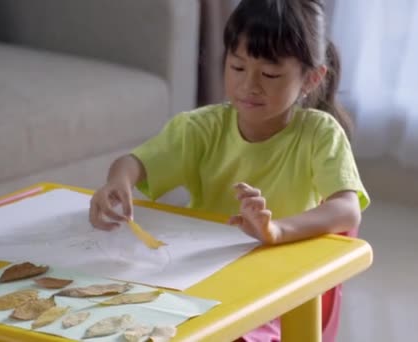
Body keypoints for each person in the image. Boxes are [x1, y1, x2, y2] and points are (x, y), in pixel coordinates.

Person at [89, 0, 370, 340]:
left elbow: (347, 209)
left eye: (269, 74)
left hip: (276, 284)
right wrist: (117, 183)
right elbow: (134, 163)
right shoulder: (201, 128)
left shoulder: (320, 134)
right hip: (200, 276)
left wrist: (275, 231)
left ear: (311, 79)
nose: (249, 85)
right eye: (237, 67)